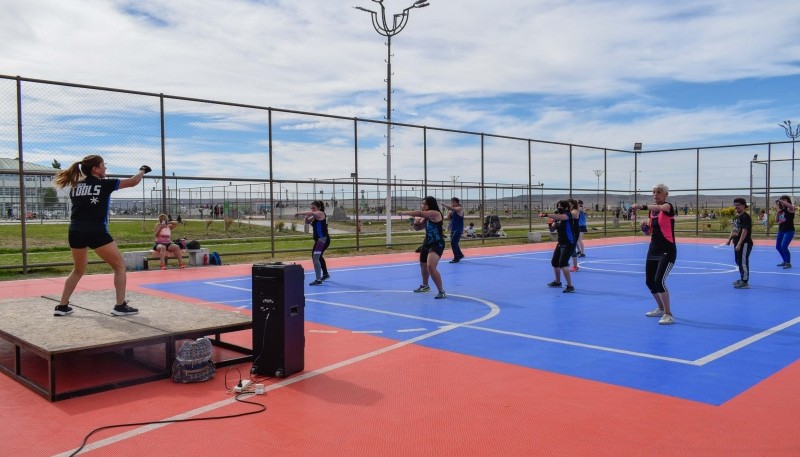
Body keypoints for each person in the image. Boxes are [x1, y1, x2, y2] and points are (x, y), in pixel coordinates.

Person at [53, 156, 150, 316]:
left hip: (75, 231)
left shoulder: (75, 187)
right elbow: (133, 181)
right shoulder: (105, 184)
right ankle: (120, 306)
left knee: (77, 270)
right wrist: (142, 170)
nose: (105, 168)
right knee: (119, 266)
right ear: (95, 169)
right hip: (96, 231)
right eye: (103, 165)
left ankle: (62, 306)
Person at [632, 184, 676, 325]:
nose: (655, 194)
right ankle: (661, 308)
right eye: (654, 192)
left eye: (659, 192)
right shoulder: (652, 212)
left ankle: (668, 314)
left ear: (666, 195)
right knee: (649, 281)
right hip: (653, 249)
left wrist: (642, 206)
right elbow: (649, 232)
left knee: (659, 281)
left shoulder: (667, 207)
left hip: (667, 250)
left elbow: (660, 208)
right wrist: (644, 228)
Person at [397, 196, 447, 299]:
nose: (422, 205)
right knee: (423, 265)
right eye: (422, 203)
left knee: (430, 266)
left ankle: (441, 291)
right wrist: (414, 222)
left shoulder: (435, 213)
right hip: (427, 242)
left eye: (425, 204)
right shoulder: (426, 217)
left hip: (437, 243)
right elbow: (418, 228)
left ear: (430, 205)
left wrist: (404, 213)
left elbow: (419, 213)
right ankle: (425, 286)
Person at [539, 200, 576, 293]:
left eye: (561, 206)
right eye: (558, 206)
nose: (559, 208)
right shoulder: (557, 218)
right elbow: (552, 229)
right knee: (555, 262)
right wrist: (550, 224)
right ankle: (557, 282)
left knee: (563, 264)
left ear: (566, 208)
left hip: (569, 243)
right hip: (560, 243)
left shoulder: (568, 215)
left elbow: (561, 217)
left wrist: (547, 214)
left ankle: (570, 286)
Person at [296, 200, 330, 285]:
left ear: (319, 208)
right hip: (320, 240)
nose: (312, 210)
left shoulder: (320, 214)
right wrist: (306, 218)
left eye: (314, 208)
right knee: (318, 256)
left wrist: (299, 213)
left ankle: (318, 279)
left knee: (315, 257)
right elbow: (307, 222)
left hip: (322, 240)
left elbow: (312, 213)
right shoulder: (315, 216)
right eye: (311, 208)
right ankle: (325, 274)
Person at [727, 198, 752, 289]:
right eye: (735, 204)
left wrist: (739, 243)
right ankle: (742, 278)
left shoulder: (745, 217)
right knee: (738, 261)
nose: (736, 206)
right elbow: (734, 229)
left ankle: (745, 281)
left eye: (738, 204)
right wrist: (729, 240)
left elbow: (744, 231)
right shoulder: (736, 217)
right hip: (736, 241)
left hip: (745, 243)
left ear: (743, 205)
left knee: (743, 262)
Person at [774, 195, 795, 269]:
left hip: (789, 231)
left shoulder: (790, 209)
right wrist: (777, 211)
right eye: (781, 200)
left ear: (787, 200)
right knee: (778, 247)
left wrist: (780, 201)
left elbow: (790, 206)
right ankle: (785, 261)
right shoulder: (781, 210)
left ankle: (788, 263)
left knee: (783, 246)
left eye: (784, 200)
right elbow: (776, 220)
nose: (782, 201)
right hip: (781, 230)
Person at [442, 197, 465, 263]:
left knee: (453, 243)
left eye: (454, 202)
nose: (453, 203)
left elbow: (454, 209)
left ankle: (456, 257)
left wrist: (445, 205)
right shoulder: (452, 210)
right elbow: (448, 217)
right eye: (452, 202)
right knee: (454, 243)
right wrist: (448, 211)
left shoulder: (460, 208)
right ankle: (460, 255)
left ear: (457, 203)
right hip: (453, 228)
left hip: (458, 228)